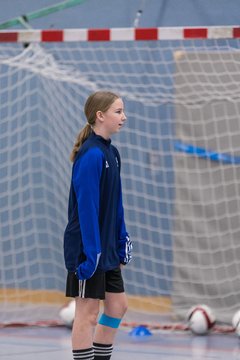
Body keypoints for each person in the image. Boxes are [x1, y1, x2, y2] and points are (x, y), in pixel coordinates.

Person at [63, 91, 132, 360]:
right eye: (118, 111)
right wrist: (92, 253)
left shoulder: (112, 154)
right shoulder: (90, 155)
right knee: (87, 315)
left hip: (105, 248)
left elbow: (116, 203)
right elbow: (87, 209)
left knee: (117, 307)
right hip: (88, 249)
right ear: (100, 116)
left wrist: (121, 237)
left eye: (123, 111)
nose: (123, 117)